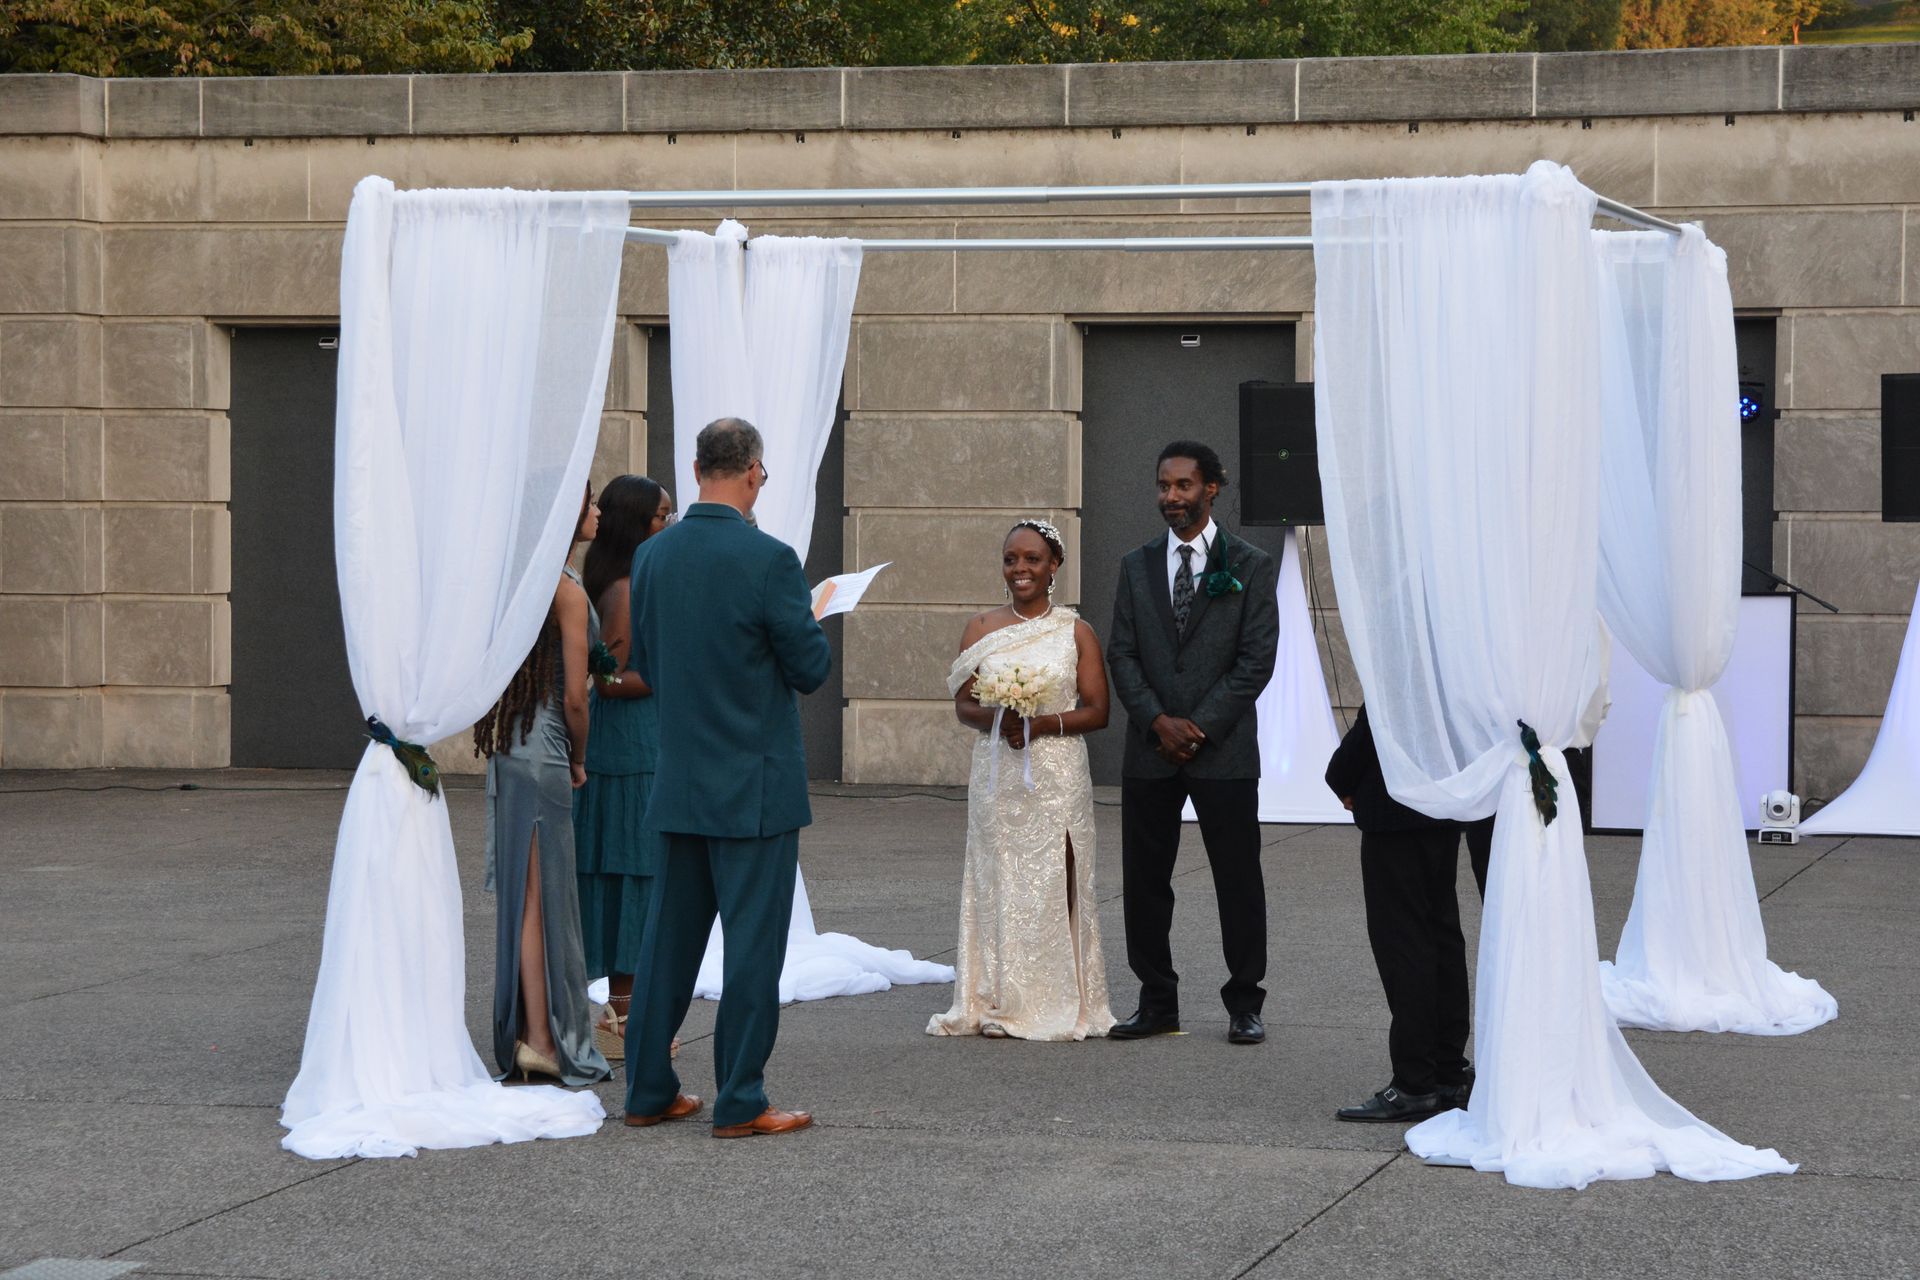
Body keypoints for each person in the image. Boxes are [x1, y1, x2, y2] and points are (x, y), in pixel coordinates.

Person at [622, 418, 831, 1139]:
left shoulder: (652, 555)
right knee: (751, 949)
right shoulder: (770, 559)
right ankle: (740, 1100)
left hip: (680, 777)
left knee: (666, 945)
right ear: (752, 472)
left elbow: (648, 662)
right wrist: (809, 615)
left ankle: (648, 1089)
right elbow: (809, 668)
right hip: (754, 784)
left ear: (695, 469)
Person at [1106, 440, 1279, 1045]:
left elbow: (1256, 660)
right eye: (1163, 485)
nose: (1171, 496)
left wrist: (1198, 726)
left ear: (1211, 488)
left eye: (1183, 485)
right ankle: (1157, 1002)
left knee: (1238, 879)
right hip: (1149, 751)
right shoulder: (1135, 565)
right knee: (1145, 882)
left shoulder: (1251, 565)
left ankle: (1245, 1003)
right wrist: (1158, 721)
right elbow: (1122, 654)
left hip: (1223, 751)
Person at [928, 519, 1117, 1041]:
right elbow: (964, 705)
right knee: (999, 880)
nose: (1020, 569)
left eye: (1032, 559)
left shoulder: (1076, 631)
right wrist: (1001, 717)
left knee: (1058, 877)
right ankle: (996, 997)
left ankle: (1060, 1000)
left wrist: (1040, 724)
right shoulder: (981, 628)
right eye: (1011, 559)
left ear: (1054, 565)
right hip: (998, 774)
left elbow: (1098, 710)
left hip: (1058, 774)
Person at [475, 483, 611, 1087]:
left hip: (512, 747)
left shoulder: (523, 583)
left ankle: (536, 1036)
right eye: (588, 503)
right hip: (547, 749)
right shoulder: (566, 591)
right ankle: (542, 1037)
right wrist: (580, 758)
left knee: (528, 898)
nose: (597, 512)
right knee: (546, 899)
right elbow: (577, 698)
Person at [1324, 704, 1474, 1123]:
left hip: (1394, 812)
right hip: (1441, 804)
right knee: (1442, 938)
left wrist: (1339, 777)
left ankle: (1415, 1081)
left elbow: (1373, 725)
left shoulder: (1399, 664)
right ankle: (1447, 1069)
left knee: (1404, 947)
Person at [573, 475, 675, 1062]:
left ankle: (627, 1010)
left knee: (640, 875)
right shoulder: (623, 589)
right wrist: (676, 673)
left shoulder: (640, 581)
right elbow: (608, 679)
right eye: (662, 516)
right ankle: (624, 1014)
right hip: (627, 750)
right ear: (637, 524)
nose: (670, 524)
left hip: (644, 743)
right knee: (631, 877)